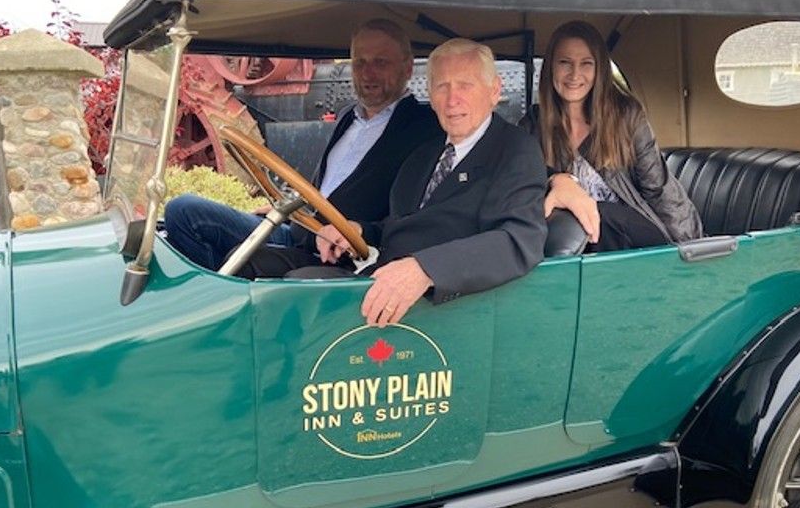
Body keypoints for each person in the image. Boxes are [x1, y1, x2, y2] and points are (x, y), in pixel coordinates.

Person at [256, 38, 548, 327]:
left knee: (298, 289)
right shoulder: (426, 153)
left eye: (465, 85)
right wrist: (358, 231)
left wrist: (426, 269)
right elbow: (402, 224)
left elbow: (518, 239)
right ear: (430, 95)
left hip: (438, 305)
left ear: (494, 91)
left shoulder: (514, 150)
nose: (452, 99)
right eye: (442, 86)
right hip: (379, 275)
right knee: (258, 266)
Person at [163, 18, 441, 271]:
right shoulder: (348, 116)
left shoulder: (424, 127)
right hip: (297, 228)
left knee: (245, 259)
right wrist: (287, 211)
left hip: (337, 254)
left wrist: (361, 232)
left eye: (380, 63)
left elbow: (410, 216)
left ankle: (218, 308)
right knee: (183, 212)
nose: (367, 74)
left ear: (407, 68)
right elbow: (323, 189)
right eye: (360, 62)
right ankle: (212, 301)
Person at [524, 20, 703, 251]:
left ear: (599, 70)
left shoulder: (625, 115)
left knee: (597, 212)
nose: (575, 74)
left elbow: (658, 188)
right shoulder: (534, 124)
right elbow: (521, 180)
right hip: (578, 243)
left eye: (586, 64)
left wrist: (693, 250)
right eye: (565, 63)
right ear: (550, 68)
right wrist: (557, 179)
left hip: (633, 233)